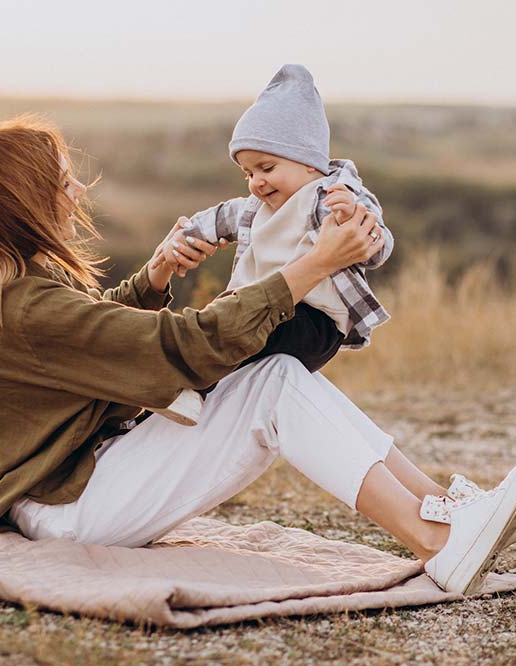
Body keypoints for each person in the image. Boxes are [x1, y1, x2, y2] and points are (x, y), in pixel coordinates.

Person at [0, 115, 516, 596]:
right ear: (24, 201)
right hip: (69, 505)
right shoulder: (20, 306)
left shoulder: (13, 290)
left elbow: (96, 334)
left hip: (77, 485)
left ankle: (447, 510)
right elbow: (184, 349)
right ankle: (436, 540)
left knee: (275, 373)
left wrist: (153, 277)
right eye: (61, 179)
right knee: (273, 384)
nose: (76, 188)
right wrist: (313, 264)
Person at [152, 64, 392, 427]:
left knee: (237, 328)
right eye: (248, 173)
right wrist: (185, 239)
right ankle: (188, 391)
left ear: (309, 162)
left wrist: (351, 219)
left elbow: (379, 247)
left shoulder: (330, 198)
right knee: (214, 323)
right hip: (261, 312)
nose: (257, 182)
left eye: (267, 168)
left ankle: (193, 386)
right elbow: (217, 218)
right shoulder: (254, 210)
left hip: (314, 323)